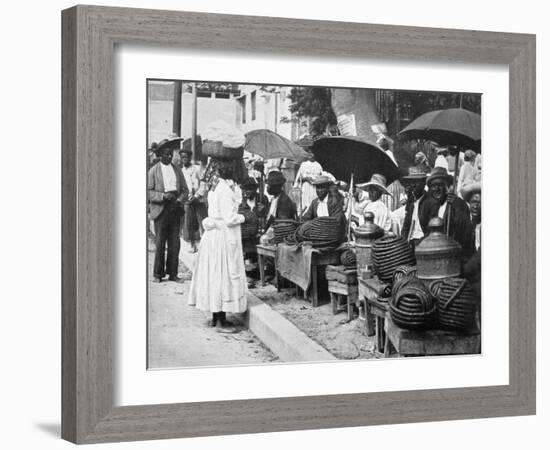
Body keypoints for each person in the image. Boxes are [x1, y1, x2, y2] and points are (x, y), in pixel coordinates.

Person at [187, 160, 248, 327]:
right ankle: (221, 319)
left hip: (212, 236)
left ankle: (216, 316)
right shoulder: (224, 190)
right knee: (222, 275)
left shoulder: (215, 186)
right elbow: (229, 218)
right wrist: (244, 217)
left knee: (213, 275)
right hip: (222, 237)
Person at [148, 139, 189, 282]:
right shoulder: (153, 171)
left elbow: (185, 190)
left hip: (175, 208)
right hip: (161, 209)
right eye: (166, 154)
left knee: (175, 243)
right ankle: (158, 274)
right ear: (160, 155)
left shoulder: (177, 169)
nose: (170, 157)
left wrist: (179, 200)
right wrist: (163, 196)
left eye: (171, 154)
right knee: (160, 243)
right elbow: (148, 192)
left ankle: (173, 273)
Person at [418, 167, 474, 260]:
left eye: (440, 185)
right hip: (436, 253)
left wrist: (456, 206)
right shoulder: (431, 207)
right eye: (433, 186)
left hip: (454, 255)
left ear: (447, 186)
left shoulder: (458, 204)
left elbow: (465, 233)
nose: (437, 189)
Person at [393, 169, 428, 244]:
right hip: (411, 240)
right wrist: (403, 241)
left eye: (416, 182)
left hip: (423, 241)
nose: (413, 185)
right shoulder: (411, 200)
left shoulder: (429, 201)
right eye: (412, 182)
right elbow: (406, 223)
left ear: (423, 184)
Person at [178, 148, 202, 252]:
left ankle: (203, 245)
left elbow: (203, 184)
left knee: (202, 222)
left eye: (186, 157)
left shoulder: (197, 169)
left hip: (198, 199)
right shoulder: (180, 170)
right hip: (187, 200)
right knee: (189, 222)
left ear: (190, 158)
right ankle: (192, 244)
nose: (184, 159)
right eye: (182, 157)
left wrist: (197, 195)